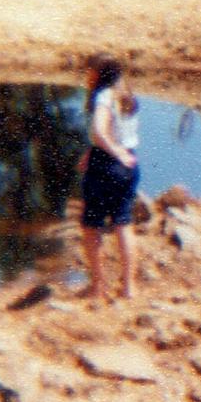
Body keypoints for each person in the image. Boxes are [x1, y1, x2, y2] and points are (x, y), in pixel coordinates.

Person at [78, 55, 141, 300]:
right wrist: (93, 151)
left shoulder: (103, 96)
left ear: (99, 73)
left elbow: (100, 131)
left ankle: (98, 286)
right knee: (123, 223)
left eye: (89, 70)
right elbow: (120, 131)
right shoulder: (125, 94)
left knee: (91, 226)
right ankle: (129, 287)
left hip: (106, 165)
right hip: (129, 163)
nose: (87, 75)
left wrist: (109, 151)